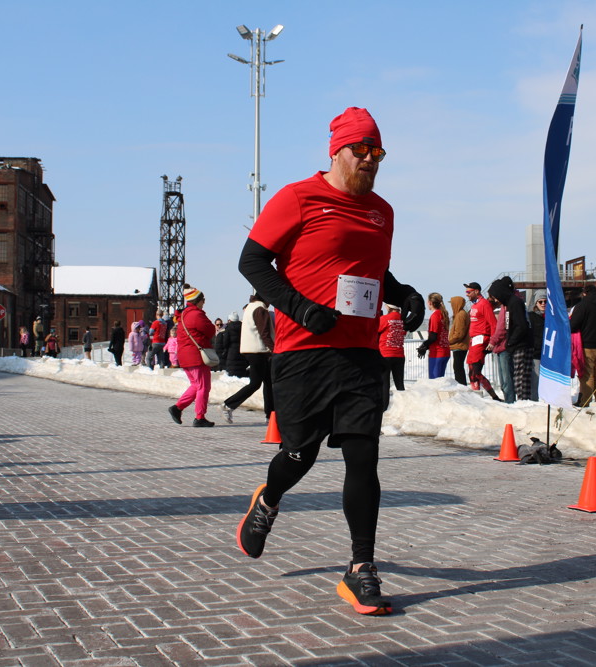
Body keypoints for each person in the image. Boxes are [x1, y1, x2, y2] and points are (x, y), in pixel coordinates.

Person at [235, 107, 424, 616]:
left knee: (364, 456)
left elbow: (374, 271)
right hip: (304, 352)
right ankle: (268, 500)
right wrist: (298, 307)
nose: (369, 159)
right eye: (360, 150)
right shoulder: (298, 197)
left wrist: (404, 292)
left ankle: (361, 568)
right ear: (336, 151)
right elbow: (251, 261)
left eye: (377, 152)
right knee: (300, 453)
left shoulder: (382, 212)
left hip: (360, 352)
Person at [223, 294, 275, 424]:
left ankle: (271, 415)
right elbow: (264, 333)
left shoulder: (251, 307)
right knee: (255, 384)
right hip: (258, 350)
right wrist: (274, 349)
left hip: (253, 350)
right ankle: (228, 405)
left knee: (268, 382)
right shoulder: (260, 309)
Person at [169, 285, 217, 427]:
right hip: (196, 355)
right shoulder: (196, 314)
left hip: (185, 355)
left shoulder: (184, 314)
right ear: (198, 300)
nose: (204, 303)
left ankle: (177, 408)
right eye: (203, 300)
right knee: (203, 387)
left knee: (196, 385)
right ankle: (199, 417)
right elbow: (210, 330)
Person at [569, 283, 596, 406]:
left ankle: (584, 401)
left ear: (584, 293)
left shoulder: (582, 306)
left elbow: (573, 325)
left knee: (587, 375)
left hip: (587, 345)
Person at [464, 281, 502, 401]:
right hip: (474, 340)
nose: (467, 294)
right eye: (466, 292)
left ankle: (492, 396)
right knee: (471, 371)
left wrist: (492, 342)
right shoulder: (474, 305)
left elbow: (493, 323)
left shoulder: (484, 304)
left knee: (476, 371)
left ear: (476, 291)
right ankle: (480, 397)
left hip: (481, 339)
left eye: (469, 292)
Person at [416, 293, 451, 379]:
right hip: (445, 350)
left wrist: (424, 345)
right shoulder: (444, 314)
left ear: (430, 303)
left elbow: (433, 337)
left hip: (437, 352)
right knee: (441, 381)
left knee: (434, 381)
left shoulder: (435, 315)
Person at [377, 304, 406, 410]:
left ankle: (384, 408)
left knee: (385, 383)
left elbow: (376, 330)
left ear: (388, 307)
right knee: (400, 383)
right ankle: (403, 406)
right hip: (399, 354)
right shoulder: (403, 319)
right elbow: (404, 332)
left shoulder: (384, 319)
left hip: (386, 354)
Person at [528, 290, 548, 401]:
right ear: (536, 303)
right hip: (536, 353)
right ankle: (534, 401)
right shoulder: (531, 316)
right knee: (536, 379)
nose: (543, 304)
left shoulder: (551, 316)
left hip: (548, 353)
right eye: (540, 302)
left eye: (545, 301)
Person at [216, 311, 248, 378]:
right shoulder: (243, 327)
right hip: (242, 351)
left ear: (230, 320)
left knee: (232, 373)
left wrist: (226, 350)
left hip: (231, 352)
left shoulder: (228, 328)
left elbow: (225, 342)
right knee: (242, 373)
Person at [448, 295, 469, 385]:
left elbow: (459, 334)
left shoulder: (460, 315)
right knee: (458, 367)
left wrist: (449, 341)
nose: (451, 306)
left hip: (459, 345)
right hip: (459, 345)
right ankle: (461, 385)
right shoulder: (461, 314)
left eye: (452, 304)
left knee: (458, 367)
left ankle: (461, 385)